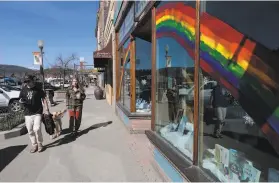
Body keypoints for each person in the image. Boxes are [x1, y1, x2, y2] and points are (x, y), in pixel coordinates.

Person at [19, 75, 50, 153]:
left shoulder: (38, 89)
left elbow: (44, 99)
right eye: (26, 81)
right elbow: (20, 99)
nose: (27, 83)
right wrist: (21, 101)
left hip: (37, 112)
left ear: (32, 81)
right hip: (27, 113)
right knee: (30, 130)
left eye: (28, 81)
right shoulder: (23, 90)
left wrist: (47, 109)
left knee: (37, 129)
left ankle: (40, 144)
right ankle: (34, 145)